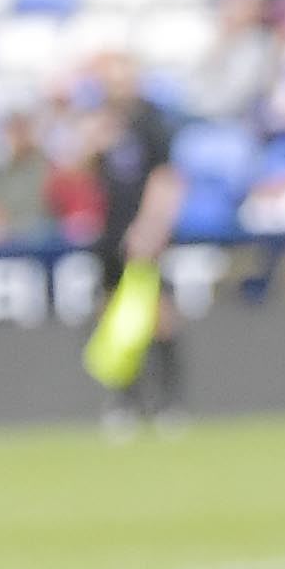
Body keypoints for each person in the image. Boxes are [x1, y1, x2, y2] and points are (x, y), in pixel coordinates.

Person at [76, 51, 188, 433]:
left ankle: (168, 404)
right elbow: (81, 174)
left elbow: (166, 178)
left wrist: (151, 226)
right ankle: (124, 403)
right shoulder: (103, 122)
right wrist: (91, 144)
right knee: (112, 317)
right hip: (109, 234)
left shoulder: (151, 122)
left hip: (143, 233)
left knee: (159, 317)